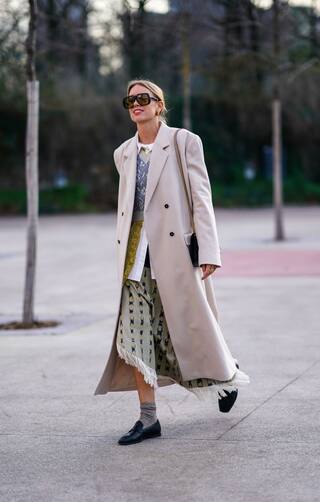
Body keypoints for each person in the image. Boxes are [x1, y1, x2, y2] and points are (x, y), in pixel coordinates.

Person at [94, 79, 250, 445]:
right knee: (133, 339)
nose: (136, 104)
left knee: (189, 329)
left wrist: (209, 250)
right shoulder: (123, 153)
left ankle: (224, 373)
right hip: (134, 260)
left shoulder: (183, 142)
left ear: (159, 104)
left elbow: (201, 197)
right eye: (130, 100)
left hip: (174, 255)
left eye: (144, 98)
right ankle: (148, 419)